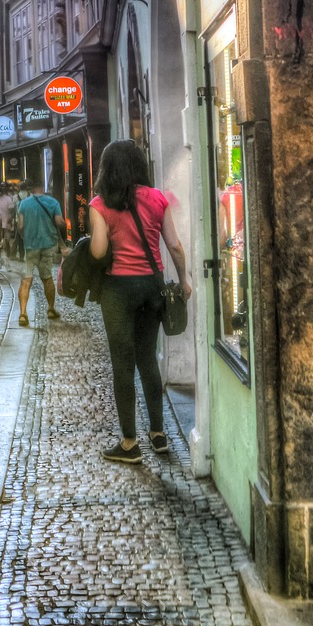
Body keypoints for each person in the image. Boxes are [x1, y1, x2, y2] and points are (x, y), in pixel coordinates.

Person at [88, 140, 192, 464]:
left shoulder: (100, 204)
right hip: (152, 286)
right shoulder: (157, 198)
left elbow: (98, 252)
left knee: (123, 365)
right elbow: (174, 245)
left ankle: (130, 443)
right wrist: (184, 279)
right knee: (148, 357)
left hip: (118, 290)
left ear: (107, 168)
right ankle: (158, 434)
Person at [15, 180, 67, 327]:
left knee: (26, 280)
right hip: (47, 246)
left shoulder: (24, 204)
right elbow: (60, 222)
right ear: (43, 188)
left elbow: (20, 226)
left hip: (30, 247)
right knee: (47, 278)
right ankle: (50, 309)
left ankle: (23, 314)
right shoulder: (53, 203)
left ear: (31, 189)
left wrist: (25, 237)